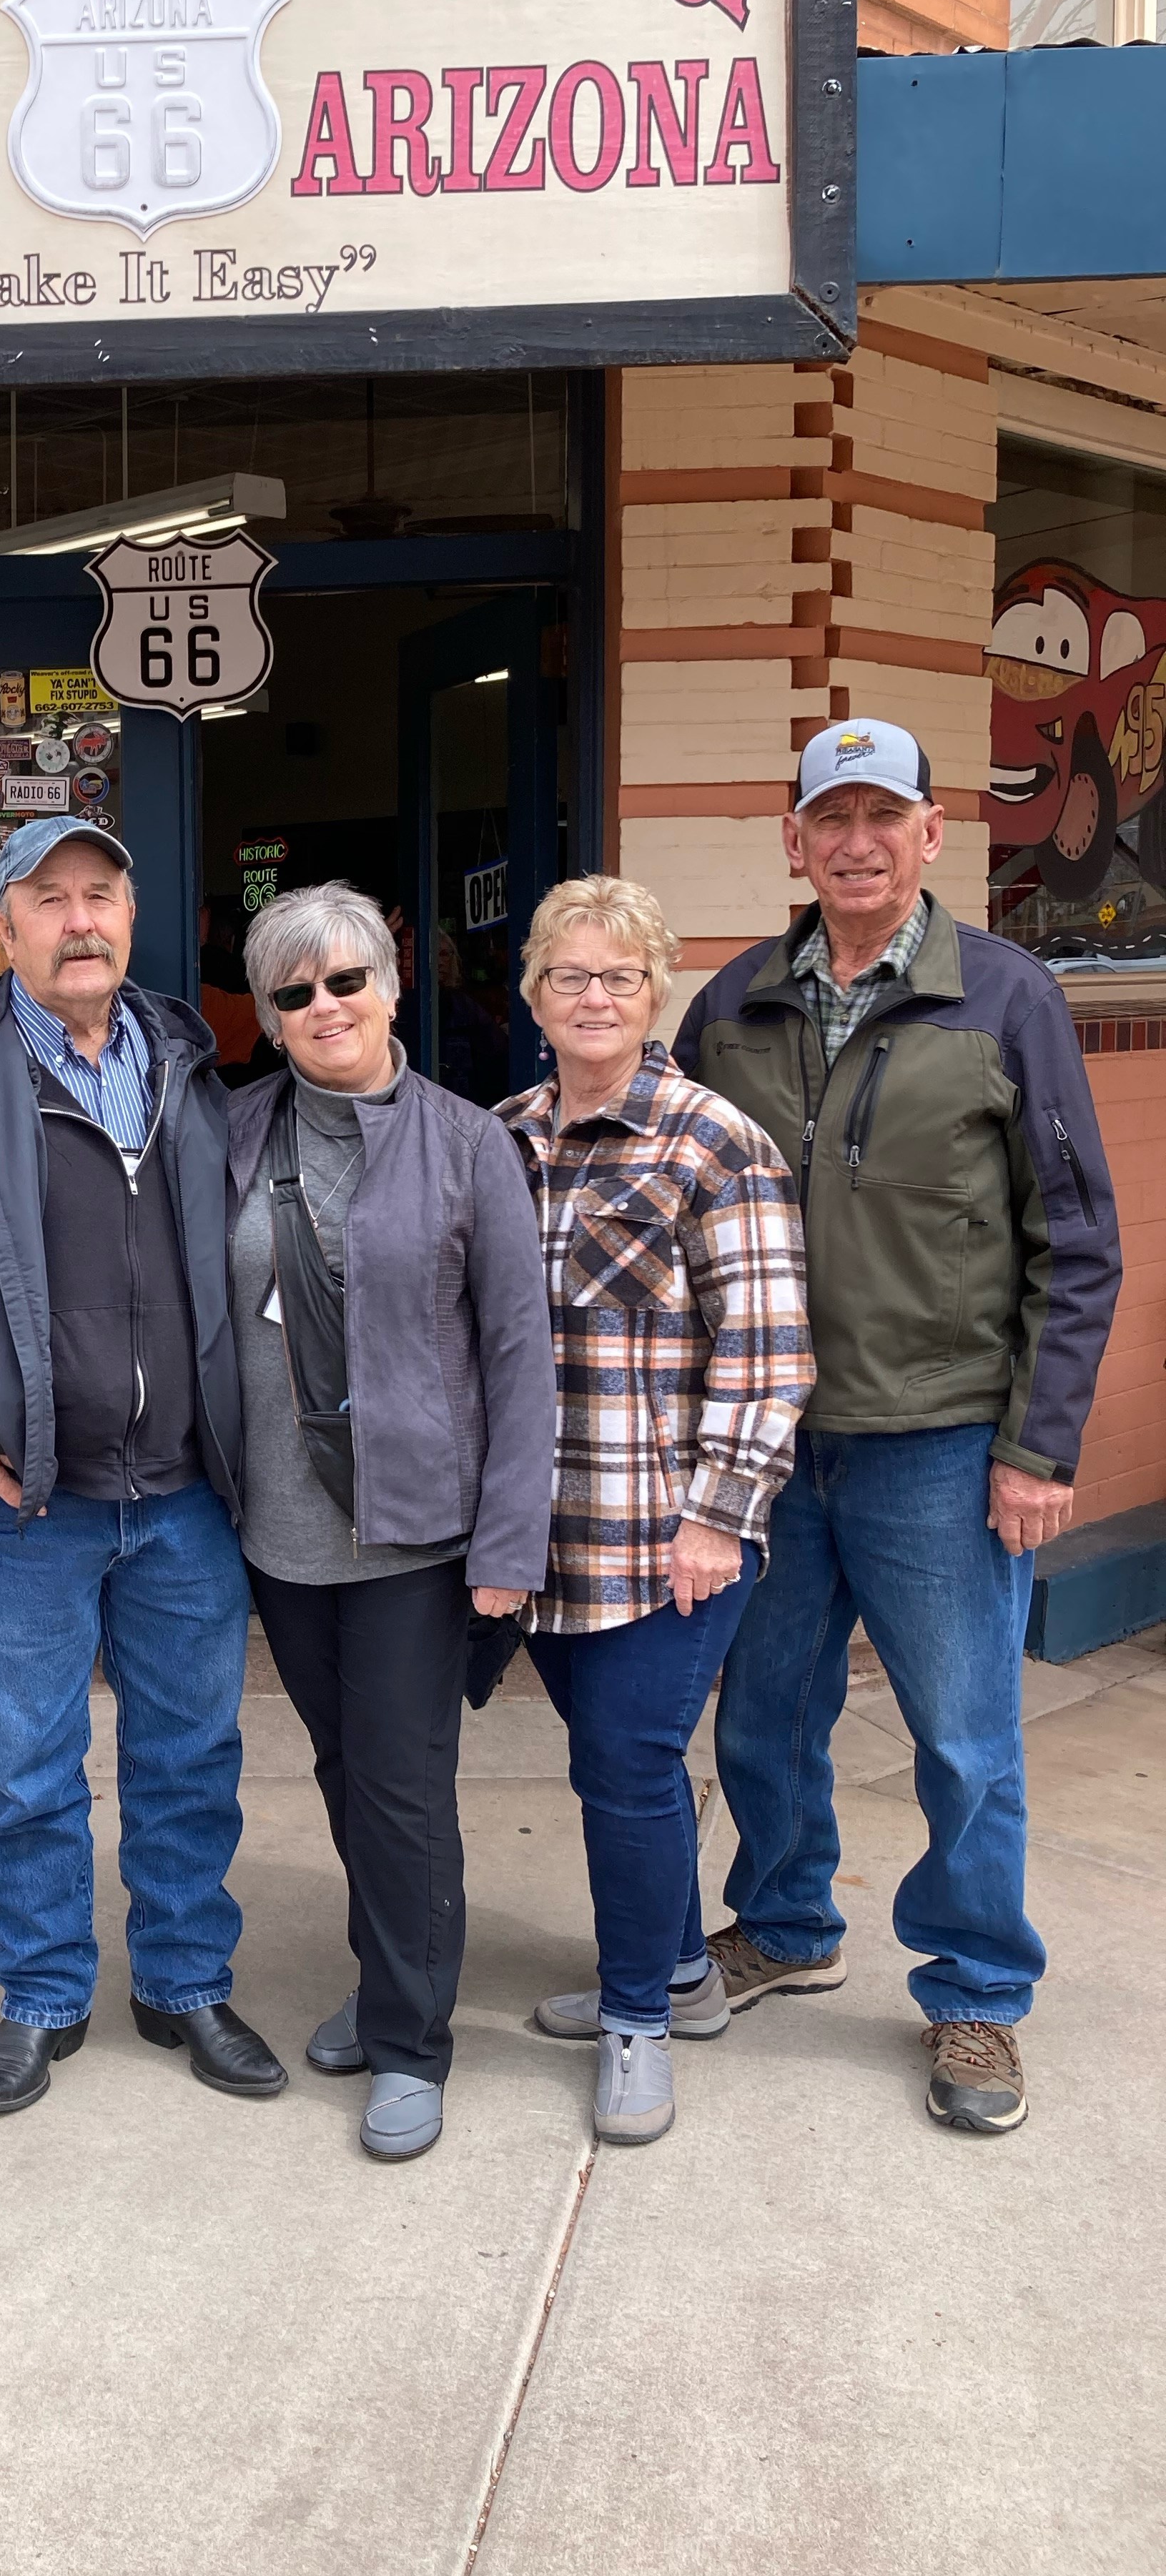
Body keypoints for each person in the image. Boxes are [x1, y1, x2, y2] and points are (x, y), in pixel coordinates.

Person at [676, 718, 1122, 2134]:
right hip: (768, 1444)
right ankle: (785, 1924)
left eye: (885, 817)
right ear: (794, 841)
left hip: (938, 1440)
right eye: (832, 819)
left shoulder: (1006, 997)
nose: (858, 844)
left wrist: (1041, 1446)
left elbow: (1076, 1242)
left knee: (965, 1739)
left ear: (933, 833)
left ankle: (979, 1991)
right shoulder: (732, 1005)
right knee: (764, 1717)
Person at [0, 820, 284, 2119]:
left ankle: (185, 1982)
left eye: (101, 895)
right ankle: (40, 1993)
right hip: (24, 1504)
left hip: (184, 1500)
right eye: (50, 899)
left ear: (132, 916)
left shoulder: (192, 1063)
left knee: (191, 1760)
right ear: (5, 927)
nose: (81, 920)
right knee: (27, 1772)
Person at [226, 882, 554, 2161]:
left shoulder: (469, 1145)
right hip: (279, 1531)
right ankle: (385, 1985)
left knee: (405, 1789)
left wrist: (508, 1549)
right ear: (269, 1015)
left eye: (347, 979)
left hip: (416, 1537)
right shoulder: (235, 1131)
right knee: (343, 1770)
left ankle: (413, 2041)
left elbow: (519, 1359)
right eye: (295, 991)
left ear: (393, 982)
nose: (326, 1006)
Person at [497, 878, 814, 2146]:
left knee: (626, 1769)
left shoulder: (715, 1141)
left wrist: (719, 1518)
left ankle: (637, 2020)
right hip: (535, 1536)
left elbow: (770, 1352)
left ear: (654, 994)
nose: (594, 997)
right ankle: (681, 1971)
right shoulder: (502, 1137)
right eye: (569, 975)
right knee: (610, 1761)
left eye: (619, 977)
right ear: (534, 996)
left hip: (665, 1536)